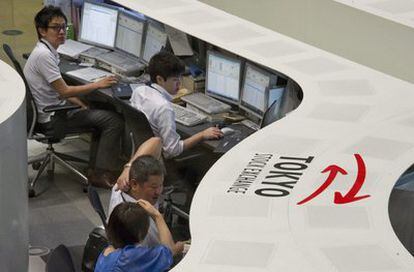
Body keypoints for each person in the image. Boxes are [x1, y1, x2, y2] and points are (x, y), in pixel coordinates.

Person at [23, 6, 124, 186]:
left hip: (47, 110)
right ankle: (99, 175)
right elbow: (64, 91)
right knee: (112, 120)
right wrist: (97, 84)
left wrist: (78, 101)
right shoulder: (44, 56)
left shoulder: (45, 51)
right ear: (42, 30)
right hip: (53, 118)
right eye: (56, 28)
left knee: (95, 109)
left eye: (63, 26)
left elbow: (57, 89)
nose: (62, 32)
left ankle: (95, 168)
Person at [129, 51, 223, 160]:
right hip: (159, 159)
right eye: (175, 80)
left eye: (180, 79)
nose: (179, 84)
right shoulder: (164, 108)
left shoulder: (139, 91)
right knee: (208, 154)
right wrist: (202, 135)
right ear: (160, 79)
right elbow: (172, 150)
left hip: (140, 151)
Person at [108, 138, 184, 254]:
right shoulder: (135, 222)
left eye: (161, 185)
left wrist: (128, 168)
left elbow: (156, 141)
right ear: (134, 184)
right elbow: (169, 254)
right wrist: (158, 217)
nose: (159, 192)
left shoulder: (120, 188)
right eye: (153, 187)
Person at [95, 200, 177, 272]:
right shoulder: (128, 258)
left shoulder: (108, 252)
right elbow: (169, 251)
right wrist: (157, 216)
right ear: (141, 233)